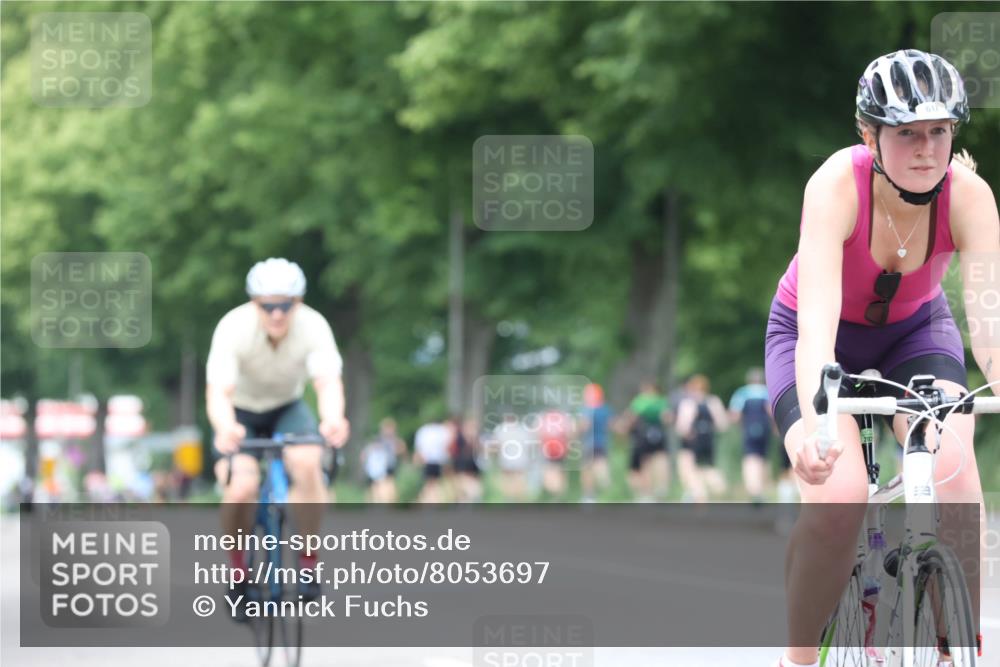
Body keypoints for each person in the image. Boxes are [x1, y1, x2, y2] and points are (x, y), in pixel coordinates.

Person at [764, 50, 998, 666]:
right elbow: (815, 319)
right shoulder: (836, 184)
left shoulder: (970, 197)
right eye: (907, 134)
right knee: (838, 500)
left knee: (955, 470)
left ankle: (955, 648)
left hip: (914, 335)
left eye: (939, 132)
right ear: (870, 135)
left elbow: (990, 326)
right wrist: (815, 428)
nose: (926, 149)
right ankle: (797, 657)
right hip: (816, 335)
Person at [207, 258, 350, 617]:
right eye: (267, 306)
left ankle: (308, 559)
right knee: (241, 486)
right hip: (240, 411)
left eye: (285, 305)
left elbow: (327, 382)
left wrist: (333, 419)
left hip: (287, 406)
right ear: (254, 302)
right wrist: (225, 427)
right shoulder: (233, 326)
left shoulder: (314, 326)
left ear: (298, 303)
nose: (276, 315)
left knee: (306, 461)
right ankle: (238, 571)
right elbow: (219, 391)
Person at [674, 374, 729, 503]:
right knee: (708, 467)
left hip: (692, 442)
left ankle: (699, 496)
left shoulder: (688, 403)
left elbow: (683, 427)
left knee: (689, 470)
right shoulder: (713, 402)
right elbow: (722, 425)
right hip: (708, 439)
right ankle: (718, 489)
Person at [618, 380, 671, 502]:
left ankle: (647, 493)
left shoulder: (641, 401)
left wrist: (623, 428)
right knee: (661, 459)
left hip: (644, 433)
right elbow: (667, 418)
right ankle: (662, 487)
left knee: (645, 463)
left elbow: (631, 416)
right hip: (659, 433)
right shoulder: (661, 401)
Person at [728, 367, 773, 505]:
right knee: (763, 459)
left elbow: (734, 415)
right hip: (765, 430)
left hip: (748, 429)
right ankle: (762, 489)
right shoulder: (767, 392)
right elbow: (772, 411)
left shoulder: (742, 393)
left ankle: (754, 491)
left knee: (750, 460)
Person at [578, 383, 612, 502]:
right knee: (601, 464)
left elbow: (584, 425)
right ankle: (608, 490)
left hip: (589, 443)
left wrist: (576, 430)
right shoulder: (604, 409)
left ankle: (589, 496)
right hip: (602, 442)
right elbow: (611, 425)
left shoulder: (587, 409)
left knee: (587, 470)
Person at [361, 417, 407, 503]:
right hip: (380, 467)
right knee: (379, 487)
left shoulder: (394, 440)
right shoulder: (378, 440)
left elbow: (401, 450)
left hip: (389, 465)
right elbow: (368, 451)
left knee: (388, 486)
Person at [413, 417, 453, 503]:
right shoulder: (443, 430)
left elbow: (419, 448)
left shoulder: (424, 430)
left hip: (428, 460)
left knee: (430, 483)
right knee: (435, 484)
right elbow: (447, 447)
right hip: (438, 461)